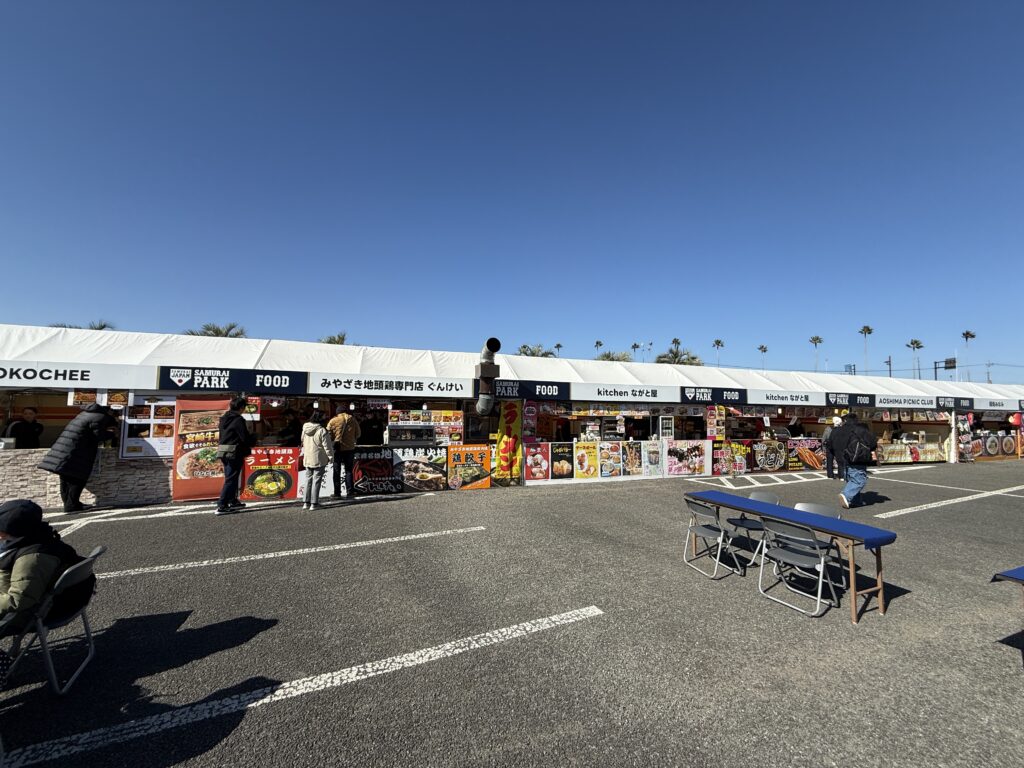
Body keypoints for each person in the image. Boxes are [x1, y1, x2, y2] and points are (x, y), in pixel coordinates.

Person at [1, 499, 86, 688]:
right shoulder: (38, 537)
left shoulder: (33, 557)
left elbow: (19, 599)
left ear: (13, 530)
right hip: (24, 598)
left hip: (22, 612)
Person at [38, 404, 119, 513]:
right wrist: (112, 434)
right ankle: (72, 506)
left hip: (65, 450)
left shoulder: (84, 414)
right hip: (77, 451)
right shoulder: (100, 417)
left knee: (65, 478)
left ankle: (69, 504)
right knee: (77, 478)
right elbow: (98, 435)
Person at [831, 413, 878, 509]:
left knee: (852, 479)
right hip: (858, 459)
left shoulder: (841, 429)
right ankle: (846, 495)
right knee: (859, 481)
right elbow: (873, 443)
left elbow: (832, 443)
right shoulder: (861, 429)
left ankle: (856, 500)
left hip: (845, 459)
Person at [215, 396, 254, 516]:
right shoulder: (238, 420)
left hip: (223, 451)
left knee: (232, 477)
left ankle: (233, 501)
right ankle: (222, 505)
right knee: (231, 479)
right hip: (234, 452)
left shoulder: (224, 418)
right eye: (244, 407)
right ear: (241, 407)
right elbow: (244, 437)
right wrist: (254, 438)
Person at [300, 410, 333, 510]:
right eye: (324, 416)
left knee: (308, 480)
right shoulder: (322, 430)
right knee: (316, 481)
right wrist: (331, 457)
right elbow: (327, 447)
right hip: (319, 458)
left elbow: (302, 440)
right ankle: (314, 503)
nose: (325, 418)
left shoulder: (305, 427)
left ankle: (306, 503)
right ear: (320, 418)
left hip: (308, 457)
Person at [327, 404, 361, 499]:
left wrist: (334, 440)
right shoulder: (353, 420)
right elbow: (358, 434)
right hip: (350, 449)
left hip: (337, 449)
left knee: (336, 471)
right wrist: (351, 438)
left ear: (337, 412)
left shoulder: (333, 421)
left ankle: (337, 493)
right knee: (349, 470)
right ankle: (350, 492)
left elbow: (328, 435)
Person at [822, 415, 843, 480]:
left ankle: (830, 475)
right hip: (838, 447)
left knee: (829, 461)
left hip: (829, 447)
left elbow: (824, 439)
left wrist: (824, 448)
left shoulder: (828, 429)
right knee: (840, 461)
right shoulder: (841, 429)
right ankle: (841, 475)